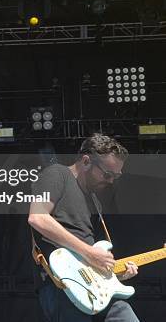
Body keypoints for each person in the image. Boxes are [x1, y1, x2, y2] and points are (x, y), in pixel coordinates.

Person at [28, 133, 140, 322]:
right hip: (62, 286)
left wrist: (114, 278)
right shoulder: (57, 174)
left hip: (93, 291)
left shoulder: (94, 201)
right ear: (86, 161)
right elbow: (37, 217)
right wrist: (89, 252)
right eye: (107, 174)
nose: (111, 180)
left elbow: (92, 258)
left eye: (116, 176)